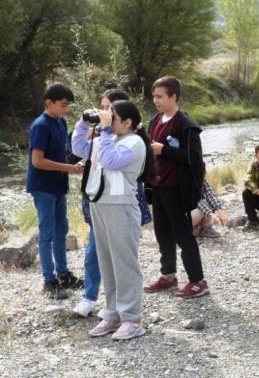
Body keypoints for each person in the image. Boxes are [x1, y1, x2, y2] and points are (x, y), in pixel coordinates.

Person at [72, 100, 153, 340]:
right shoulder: (106, 139)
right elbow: (78, 147)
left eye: (112, 117)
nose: (107, 120)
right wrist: (84, 122)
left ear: (127, 122)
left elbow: (109, 161)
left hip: (121, 207)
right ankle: (112, 313)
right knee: (106, 261)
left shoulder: (134, 142)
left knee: (124, 263)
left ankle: (132, 318)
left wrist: (105, 131)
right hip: (100, 204)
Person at [143, 76, 209, 298]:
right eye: (154, 96)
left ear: (173, 96)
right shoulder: (155, 121)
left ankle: (198, 281)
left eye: (160, 96)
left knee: (183, 235)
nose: (156, 100)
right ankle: (168, 276)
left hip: (177, 190)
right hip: (158, 188)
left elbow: (194, 157)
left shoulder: (186, 125)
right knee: (162, 234)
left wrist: (165, 150)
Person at [27, 83, 84, 300]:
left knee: (62, 229)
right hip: (43, 187)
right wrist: (69, 168)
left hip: (59, 185)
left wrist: (75, 163)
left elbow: (62, 153)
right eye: (62, 105)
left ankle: (63, 274)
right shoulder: (40, 126)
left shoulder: (60, 121)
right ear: (48, 103)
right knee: (47, 232)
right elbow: (37, 161)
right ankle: (48, 280)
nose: (66, 109)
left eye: (68, 105)